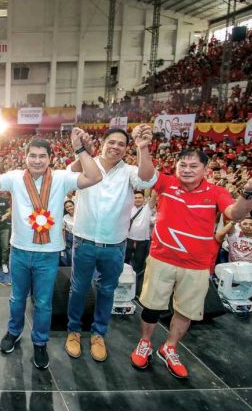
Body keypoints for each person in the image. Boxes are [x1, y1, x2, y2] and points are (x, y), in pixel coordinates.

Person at [130, 149, 252, 379]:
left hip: (196, 265)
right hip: (162, 258)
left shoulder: (216, 192)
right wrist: (142, 147)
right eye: (182, 165)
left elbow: (235, 213)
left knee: (186, 311)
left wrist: (248, 192)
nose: (187, 170)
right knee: (152, 306)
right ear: (176, 167)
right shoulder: (166, 183)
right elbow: (145, 174)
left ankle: (170, 347)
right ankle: (144, 343)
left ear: (205, 169)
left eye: (193, 166)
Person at [0, 129, 102, 370]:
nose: (37, 160)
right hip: (19, 250)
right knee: (17, 298)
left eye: (42, 156)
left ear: (50, 158)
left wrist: (80, 150)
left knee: (43, 302)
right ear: (25, 157)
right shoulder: (16, 177)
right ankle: (14, 331)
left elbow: (94, 177)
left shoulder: (61, 177)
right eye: (32, 156)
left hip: (48, 254)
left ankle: (40, 342)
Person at [65, 126, 157, 362]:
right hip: (84, 241)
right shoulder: (88, 163)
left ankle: (98, 334)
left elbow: (147, 178)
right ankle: (74, 331)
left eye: (121, 144)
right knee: (78, 289)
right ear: (103, 143)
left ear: (127, 149)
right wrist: (81, 150)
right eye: (111, 142)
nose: (115, 147)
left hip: (114, 245)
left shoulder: (129, 171)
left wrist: (143, 147)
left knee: (107, 290)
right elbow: (69, 176)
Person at [125, 190, 157, 294]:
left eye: (140, 197)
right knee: (123, 264)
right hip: (128, 240)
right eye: (135, 197)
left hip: (143, 242)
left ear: (144, 199)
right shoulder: (128, 208)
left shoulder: (147, 208)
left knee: (138, 267)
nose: (137, 199)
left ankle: (137, 290)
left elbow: (153, 198)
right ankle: (122, 286)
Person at [61, 200, 75, 267]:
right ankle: (70, 269)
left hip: (80, 237)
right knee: (69, 254)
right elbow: (63, 230)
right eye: (67, 207)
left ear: (74, 205)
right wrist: (64, 241)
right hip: (70, 236)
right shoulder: (65, 217)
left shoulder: (80, 215)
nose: (69, 208)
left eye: (70, 206)